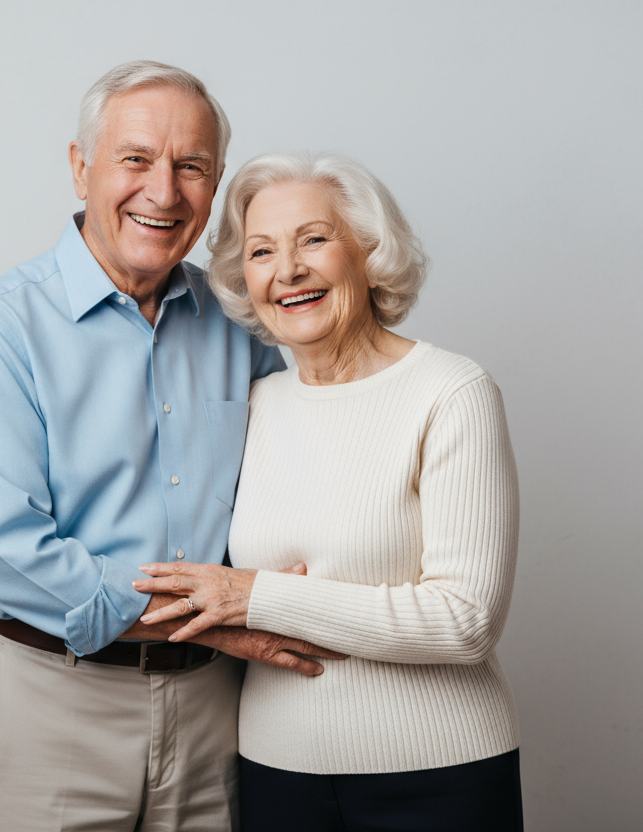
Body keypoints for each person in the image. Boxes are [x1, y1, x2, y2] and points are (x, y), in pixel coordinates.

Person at [0, 64, 344, 832]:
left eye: (191, 166)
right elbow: (6, 555)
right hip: (53, 703)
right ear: (80, 165)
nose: (164, 191)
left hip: (217, 708)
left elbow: (292, 490)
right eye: (136, 159)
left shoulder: (242, 326)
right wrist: (215, 615)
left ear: (216, 182)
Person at [132, 152, 524, 831]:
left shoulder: (451, 393)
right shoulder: (250, 406)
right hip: (273, 774)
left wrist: (259, 596)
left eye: (314, 239)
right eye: (261, 251)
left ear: (369, 252)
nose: (287, 270)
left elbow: (465, 621)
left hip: (438, 778)